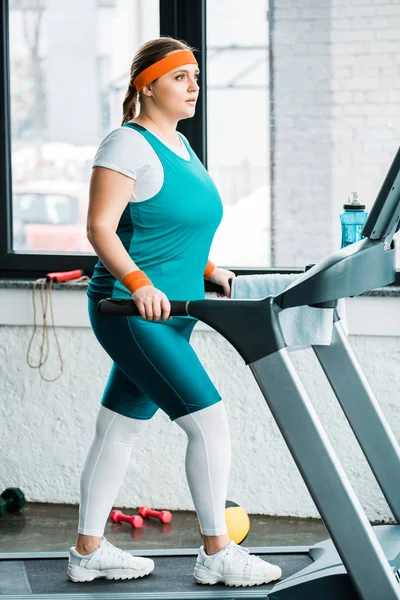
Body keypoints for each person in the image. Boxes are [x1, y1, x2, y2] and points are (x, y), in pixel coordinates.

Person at [67, 35, 282, 588]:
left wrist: (211, 270)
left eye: (196, 76)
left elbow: (175, 226)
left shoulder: (182, 147)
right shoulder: (126, 144)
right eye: (180, 76)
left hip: (177, 310)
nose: (194, 86)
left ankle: (87, 551)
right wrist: (137, 282)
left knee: (117, 428)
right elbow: (100, 227)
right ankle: (217, 552)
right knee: (209, 423)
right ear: (147, 84)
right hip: (131, 310)